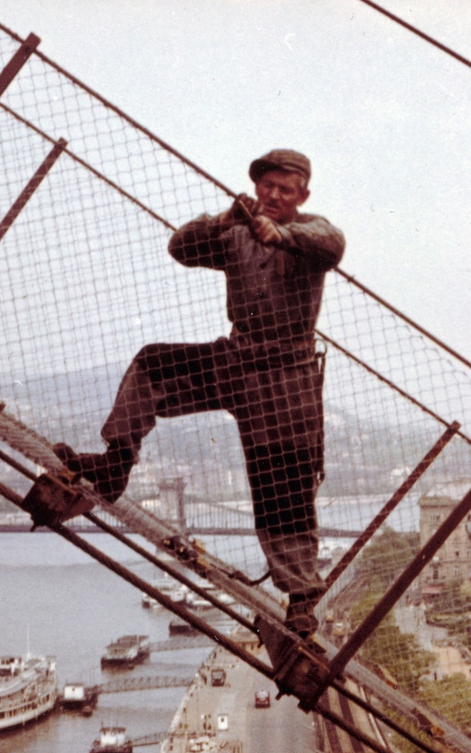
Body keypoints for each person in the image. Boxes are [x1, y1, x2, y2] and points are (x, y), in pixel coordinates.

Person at [55, 148, 344, 636]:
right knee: (154, 366)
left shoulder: (310, 236)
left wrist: (285, 234)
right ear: (256, 188)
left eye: (285, 189)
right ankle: (115, 464)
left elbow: (331, 244)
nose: (273, 195)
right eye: (266, 186)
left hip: (285, 377)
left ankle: (299, 597)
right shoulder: (236, 231)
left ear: (303, 196)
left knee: (283, 488)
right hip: (236, 358)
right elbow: (181, 247)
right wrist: (225, 217)